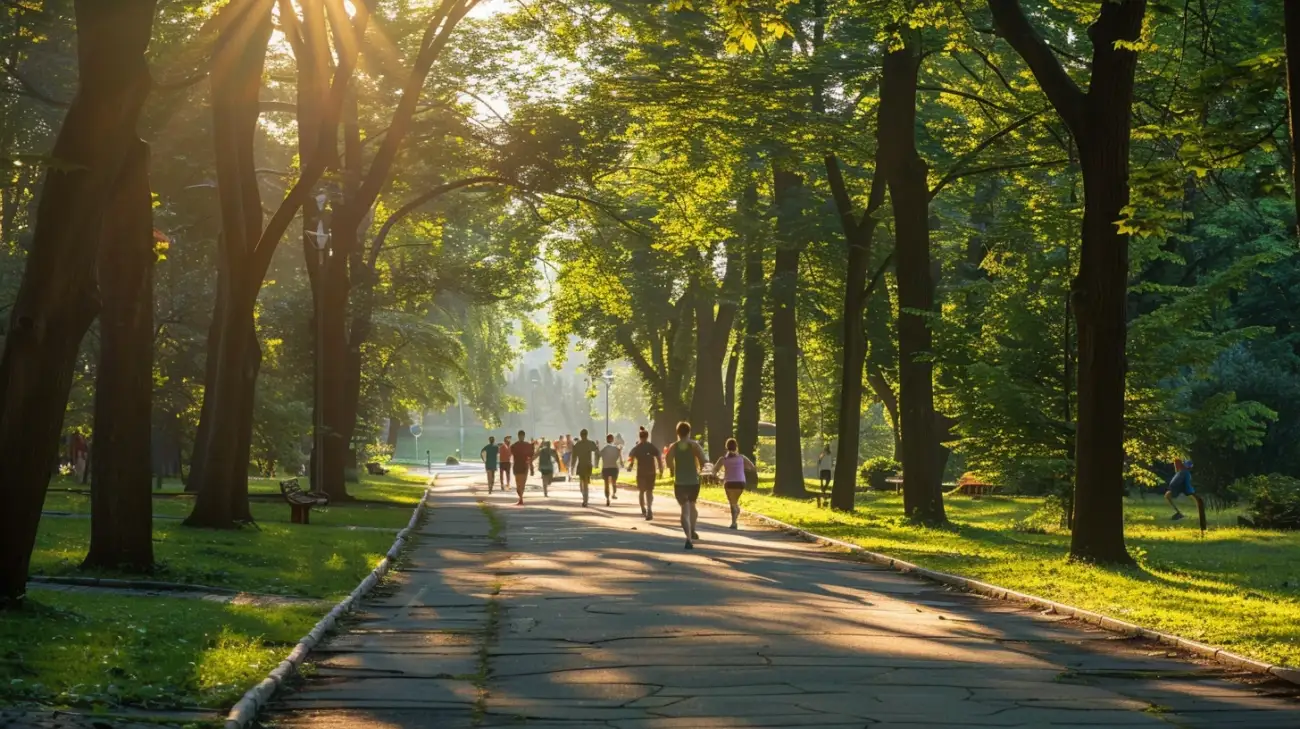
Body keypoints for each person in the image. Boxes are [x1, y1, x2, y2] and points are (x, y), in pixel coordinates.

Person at [666, 420, 707, 550]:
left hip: (680, 482)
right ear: (689, 432)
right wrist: (701, 468)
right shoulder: (694, 445)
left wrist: (672, 470)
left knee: (684, 510)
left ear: (677, 432)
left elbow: (668, 460)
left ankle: (688, 538)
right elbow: (703, 459)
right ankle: (693, 529)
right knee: (693, 505)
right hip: (693, 481)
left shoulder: (674, 446)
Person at [715, 438, 757, 530]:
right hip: (740, 482)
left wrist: (719, 477)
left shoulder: (723, 459)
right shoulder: (742, 458)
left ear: (726, 447)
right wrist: (743, 468)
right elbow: (752, 467)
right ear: (736, 447)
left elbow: (715, 470)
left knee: (732, 503)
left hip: (729, 483)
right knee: (734, 502)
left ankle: (734, 522)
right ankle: (736, 514)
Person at [627, 426, 663, 520]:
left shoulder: (637, 447)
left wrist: (630, 465)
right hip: (651, 471)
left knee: (642, 491)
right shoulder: (650, 446)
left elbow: (631, 456)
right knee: (649, 491)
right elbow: (658, 455)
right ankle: (649, 509)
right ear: (647, 436)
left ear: (640, 437)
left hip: (641, 472)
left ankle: (644, 508)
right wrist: (660, 467)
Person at [1166, 458, 1204, 526]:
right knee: (1167, 495)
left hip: (1179, 489)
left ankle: (1200, 520)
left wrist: (1191, 492)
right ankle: (1179, 513)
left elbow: (1187, 484)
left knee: (1168, 496)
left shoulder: (1185, 473)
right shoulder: (1182, 472)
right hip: (1176, 489)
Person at [570, 429, 599, 506]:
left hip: (581, 464)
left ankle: (584, 498)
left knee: (582, 482)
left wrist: (572, 467)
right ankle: (585, 499)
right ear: (587, 434)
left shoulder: (577, 445)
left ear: (580, 435)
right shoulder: (590, 443)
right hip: (588, 465)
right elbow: (597, 451)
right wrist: (596, 463)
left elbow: (574, 457)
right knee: (585, 482)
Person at [510, 430, 535, 506]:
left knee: (522, 484)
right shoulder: (515, 446)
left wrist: (531, 468)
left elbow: (530, 458)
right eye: (520, 436)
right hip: (518, 466)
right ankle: (520, 497)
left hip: (524, 466)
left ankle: (521, 499)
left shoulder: (526, 445)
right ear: (519, 436)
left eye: (522, 436)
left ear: (523, 436)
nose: (521, 437)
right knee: (518, 484)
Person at [600, 434, 624, 506]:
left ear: (606, 439)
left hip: (606, 467)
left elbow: (599, 455)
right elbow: (619, 456)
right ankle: (613, 493)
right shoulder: (616, 449)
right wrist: (621, 463)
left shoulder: (604, 449)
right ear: (612, 440)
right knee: (614, 482)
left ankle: (607, 498)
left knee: (606, 484)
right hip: (613, 467)